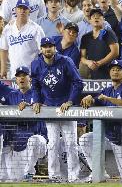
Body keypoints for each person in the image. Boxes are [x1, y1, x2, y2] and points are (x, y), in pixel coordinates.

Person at [80, 59, 122, 183]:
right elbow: (96, 100)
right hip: (108, 136)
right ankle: (99, 172)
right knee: (85, 139)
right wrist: (89, 98)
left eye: (118, 69)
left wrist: (109, 99)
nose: (115, 72)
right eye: (112, 69)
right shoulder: (107, 90)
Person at [31, 37, 84, 182]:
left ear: (55, 48)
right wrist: (37, 101)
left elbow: (78, 83)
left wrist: (70, 101)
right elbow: (35, 85)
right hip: (50, 107)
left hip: (66, 109)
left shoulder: (66, 61)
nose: (47, 49)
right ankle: (54, 175)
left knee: (71, 143)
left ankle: (74, 176)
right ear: (41, 49)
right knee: (53, 143)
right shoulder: (36, 64)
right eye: (45, 46)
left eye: (50, 46)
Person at [0, 66, 47, 182]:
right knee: (15, 179)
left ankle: (30, 173)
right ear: (15, 80)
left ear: (30, 78)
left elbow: (50, 107)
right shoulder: (11, 95)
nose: (21, 78)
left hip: (38, 142)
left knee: (34, 140)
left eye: (24, 75)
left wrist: (31, 107)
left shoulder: (39, 93)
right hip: (18, 146)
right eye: (18, 76)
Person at [0, 0, 45, 79]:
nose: (22, 11)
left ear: (29, 11)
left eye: (25, 8)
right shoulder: (8, 28)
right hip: (13, 73)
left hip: (31, 74)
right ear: (16, 10)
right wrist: (3, 68)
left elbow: (43, 51)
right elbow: (4, 49)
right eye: (20, 8)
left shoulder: (36, 29)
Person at [80, 9, 119, 79]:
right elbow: (82, 57)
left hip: (109, 74)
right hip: (93, 73)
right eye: (93, 16)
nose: (96, 17)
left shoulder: (109, 33)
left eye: (99, 16)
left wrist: (99, 63)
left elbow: (115, 52)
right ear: (90, 20)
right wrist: (88, 62)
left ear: (104, 20)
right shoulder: (85, 37)